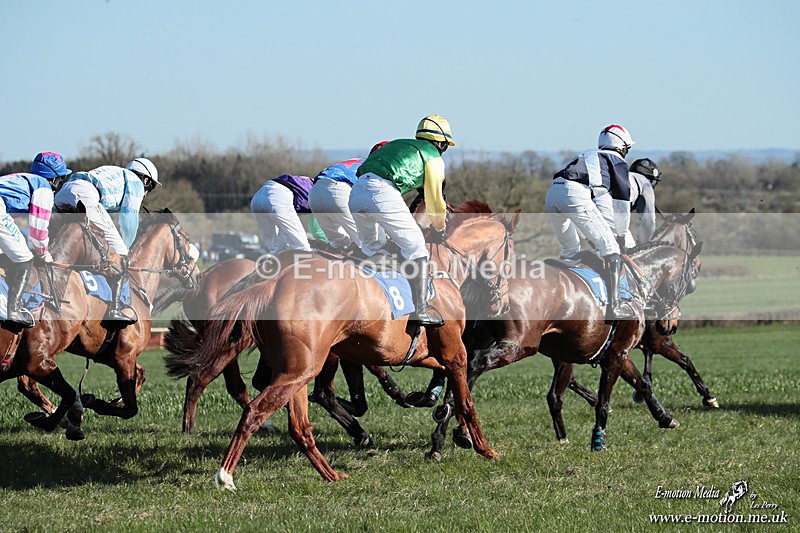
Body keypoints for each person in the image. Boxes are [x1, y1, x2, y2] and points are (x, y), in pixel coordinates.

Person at [349, 115, 453, 327]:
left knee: (373, 249)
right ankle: (421, 310)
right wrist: (440, 226)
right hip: (381, 192)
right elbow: (434, 198)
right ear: (441, 143)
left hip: (356, 190)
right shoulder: (433, 156)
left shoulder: (397, 144)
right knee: (417, 249)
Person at [54, 157, 160, 326]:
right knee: (120, 253)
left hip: (63, 192)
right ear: (146, 180)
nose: (146, 194)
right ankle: (115, 309)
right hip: (84, 195)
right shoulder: (136, 183)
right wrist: (123, 251)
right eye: (150, 188)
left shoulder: (115, 172)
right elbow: (128, 221)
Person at [545, 124, 635, 320]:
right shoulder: (617, 161)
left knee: (570, 251)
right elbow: (621, 204)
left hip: (552, 193)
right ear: (622, 147)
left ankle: (560, 300)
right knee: (610, 248)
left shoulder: (588, 155)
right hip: (574, 194)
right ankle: (616, 305)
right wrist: (620, 235)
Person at [0, 152, 72, 327]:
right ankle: (13, 310)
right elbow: (38, 230)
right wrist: (43, 253)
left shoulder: (22, 178)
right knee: (25, 258)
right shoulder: (43, 188)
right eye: (60, 178)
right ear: (54, 179)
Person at [308, 141, 389, 253]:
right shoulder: (377, 167)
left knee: (341, 246)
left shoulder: (357, 160)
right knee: (371, 246)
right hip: (339, 192)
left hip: (314, 193)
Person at [250, 175, 314, 255]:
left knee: (277, 251)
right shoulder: (323, 193)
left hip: (257, 198)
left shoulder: (312, 182)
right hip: (278, 195)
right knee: (302, 248)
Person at [623, 158, 662, 248]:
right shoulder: (645, 183)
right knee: (631, 253)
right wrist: (644, 245)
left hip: (588, 209)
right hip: (608, 215)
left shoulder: (622, 175)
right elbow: (648, 221)